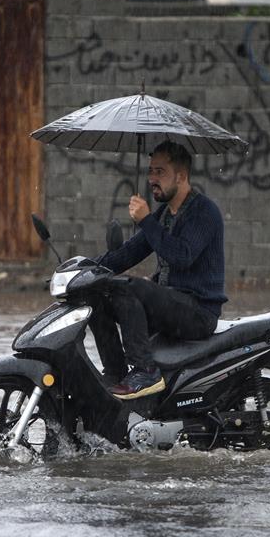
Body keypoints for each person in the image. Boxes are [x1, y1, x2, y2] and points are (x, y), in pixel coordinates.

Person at [91, 141, 227, 400]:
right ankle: (116, 372)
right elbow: (128, 253)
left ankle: (145, 371)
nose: (152, 178)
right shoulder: (164, 213)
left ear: (181, 176)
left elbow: (181, 257)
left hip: (198, 312)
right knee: (98, 293)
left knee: (127, 287)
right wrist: (84, 269)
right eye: (151, 171)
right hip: (170, 306)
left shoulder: (204, 212)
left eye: (160, 172)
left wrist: (145, 220)